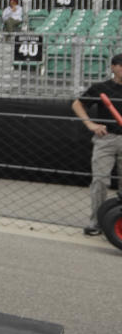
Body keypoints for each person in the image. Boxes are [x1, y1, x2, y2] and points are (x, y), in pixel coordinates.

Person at [70, 54, 122, 235]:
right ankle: (97, 222)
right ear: (113, 67)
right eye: (121, 66)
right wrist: (90, 124)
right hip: (106, 139)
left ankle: (118, 224)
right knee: (100, 180)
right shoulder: (101, 88)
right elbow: (77, 104)